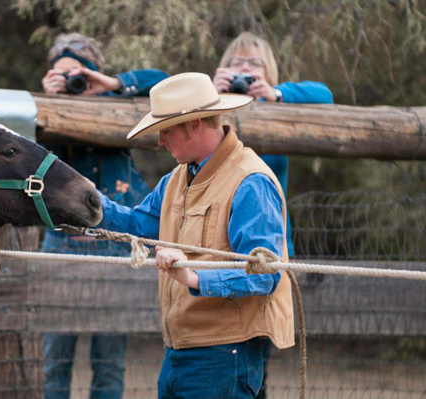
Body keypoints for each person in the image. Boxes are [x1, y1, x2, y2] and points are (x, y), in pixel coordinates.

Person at [97, 72, 294, 399]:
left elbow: (264, 276)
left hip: (224, 355)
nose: (160, 140)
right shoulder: (176, 179)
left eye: (166, 130)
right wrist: (85, 204)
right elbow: (138, 225)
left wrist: (192, 277)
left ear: (195, 125)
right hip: (180, 353)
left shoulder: (251, 181)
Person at [40, 33, 169, 399]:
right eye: (61, 74)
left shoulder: (121, 103)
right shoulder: (45, 110)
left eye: (78, 74)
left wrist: (114, 84)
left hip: (112, 249)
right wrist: (50, 102)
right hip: (59, 246)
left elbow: (167, 83)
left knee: (110, 365)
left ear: (94, 73)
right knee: (55, 362)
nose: (72, 82)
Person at [213, 32, 333, 398]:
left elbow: (325, 95)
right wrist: (211, 92)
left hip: (270, 246)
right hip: (215, 242)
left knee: (256, 355)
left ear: (269, 73)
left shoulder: (282, 106)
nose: (245, 69)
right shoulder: (210, 109)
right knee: (216, 351)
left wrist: (276, 94)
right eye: (237, 63)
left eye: (254, 64)